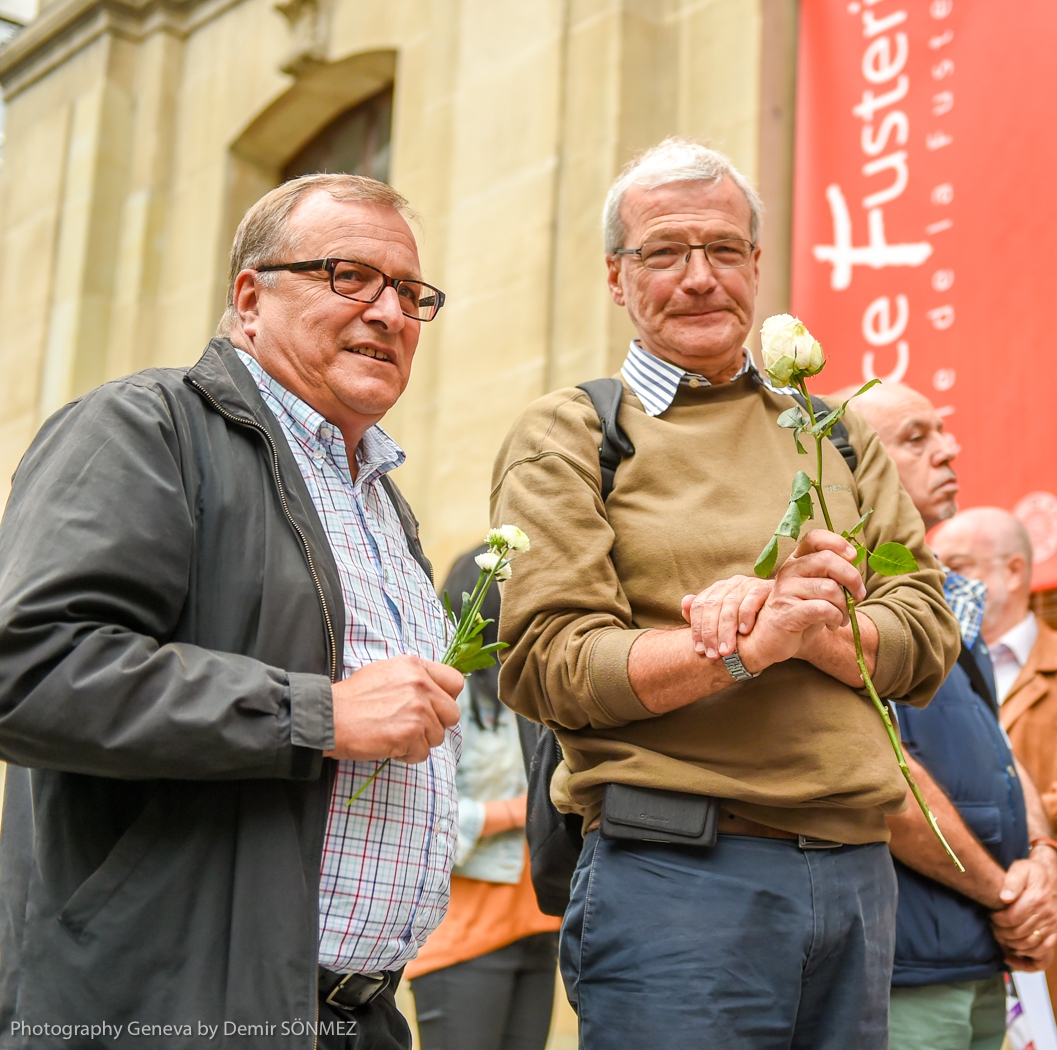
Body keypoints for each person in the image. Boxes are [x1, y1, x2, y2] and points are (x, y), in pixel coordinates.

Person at [488, 138, 960, 1050]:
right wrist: (740, 644)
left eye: (722, 249)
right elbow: (548, 665)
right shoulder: (576, 431)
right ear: (618, 279)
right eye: (664, 252)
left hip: (857, 878)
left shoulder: (836, 433)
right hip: (675, 883)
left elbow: (926, 635)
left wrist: (809, 629)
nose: (698, 277)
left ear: (754, 263)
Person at [0, 173, 464, 1049]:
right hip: (171, 1009)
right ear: (250, 299)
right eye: (347, 276)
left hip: (355, 1016)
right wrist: (317, 712)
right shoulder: (145, 425)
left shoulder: (381, 503)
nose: (389, 313)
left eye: (409, 292)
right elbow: (28, 668)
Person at [844, 383, 1057, 1050]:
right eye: (916, 437)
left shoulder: (947, 594)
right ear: (848, 464)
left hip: (977, 958)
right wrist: (1004, 893)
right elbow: (875, 776)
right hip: (899, 970)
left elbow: (996, 750)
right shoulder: (838, 586)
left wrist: (1044, 859)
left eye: (944, 432)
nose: (949, 450)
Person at [932, 507, 1057, 1049]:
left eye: (956, 565)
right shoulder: (929, 668)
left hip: (1053, 961)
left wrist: (1015, 817)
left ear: (1015, 571)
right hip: (945, 956)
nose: (940, 579)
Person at [406, 546, 561, 1050]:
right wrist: (517, 813)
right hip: (464, 941)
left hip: (538, 927)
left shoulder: (532, 691)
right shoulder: (446, 696)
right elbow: (418, 819)